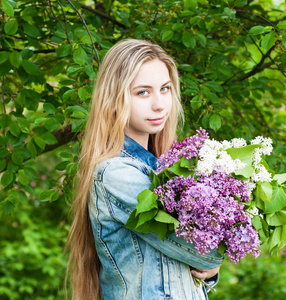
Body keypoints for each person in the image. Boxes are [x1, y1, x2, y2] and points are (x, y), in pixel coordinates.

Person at [66, 39, 223, 300]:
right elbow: (200, 250)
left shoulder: (161, 171)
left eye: (165, 89)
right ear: (114, 99)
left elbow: (184, 273)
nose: (159, 104)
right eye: (143, 92)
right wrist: (213, 260)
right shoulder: (117, 174)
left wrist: (210, 269)